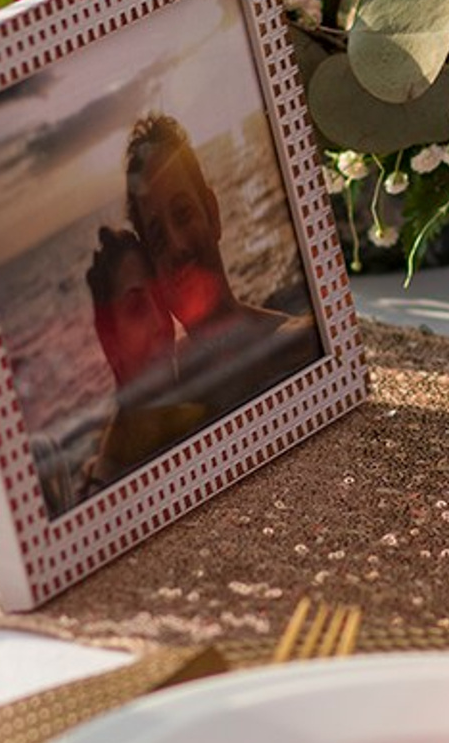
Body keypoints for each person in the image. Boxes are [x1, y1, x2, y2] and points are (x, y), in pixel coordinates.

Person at [123, 112, 319, 416]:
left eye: (183, 214)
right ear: (150, 268)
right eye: (158, 238)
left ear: (212, 214)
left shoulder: (298, 346)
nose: (178, 246)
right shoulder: (168, 386)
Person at [77, 225, 208, 494]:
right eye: (137, 308)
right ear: (109, 341)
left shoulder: (190, 406)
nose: (161, 323)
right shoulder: (111, 486)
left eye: (160, 299)